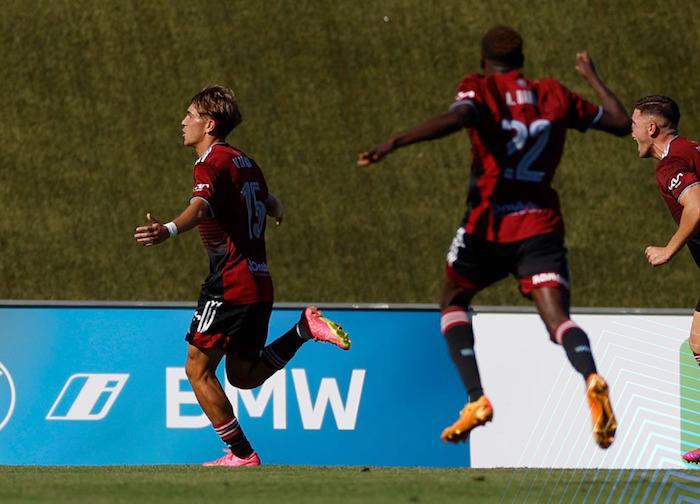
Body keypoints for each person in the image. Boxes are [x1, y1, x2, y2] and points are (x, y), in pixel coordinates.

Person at [358, 26, 630, 449]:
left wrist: (394, 141)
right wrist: (592, 78)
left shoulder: (480, 88)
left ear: (486, 61)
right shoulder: (555, 94)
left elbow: (458, 117)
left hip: (488, 226)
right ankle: (591, 375)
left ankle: (476, 399)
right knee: (557, 319)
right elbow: (619, 122)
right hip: (540, 224)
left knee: (453, 300)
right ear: (521, 59)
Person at [134, 85, 350, 467]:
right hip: (258, 282)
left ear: (209, 124)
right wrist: (276, 205)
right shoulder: (245, 162)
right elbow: (266, 199)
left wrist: (167, 229)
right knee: (244, 375)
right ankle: (303, 329)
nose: (183, 122)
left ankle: (242, 454)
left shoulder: (210, 163)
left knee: (197, 369)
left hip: (229, 283)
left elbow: (200, 208)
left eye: (190, 116)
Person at [631, 95, 700, 464]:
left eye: (634, 124)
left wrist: (669, 249)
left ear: (651, 128)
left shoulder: (671, 162)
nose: (632, 132)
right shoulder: (691, 148)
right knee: (699, 341)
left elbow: (697, 206)